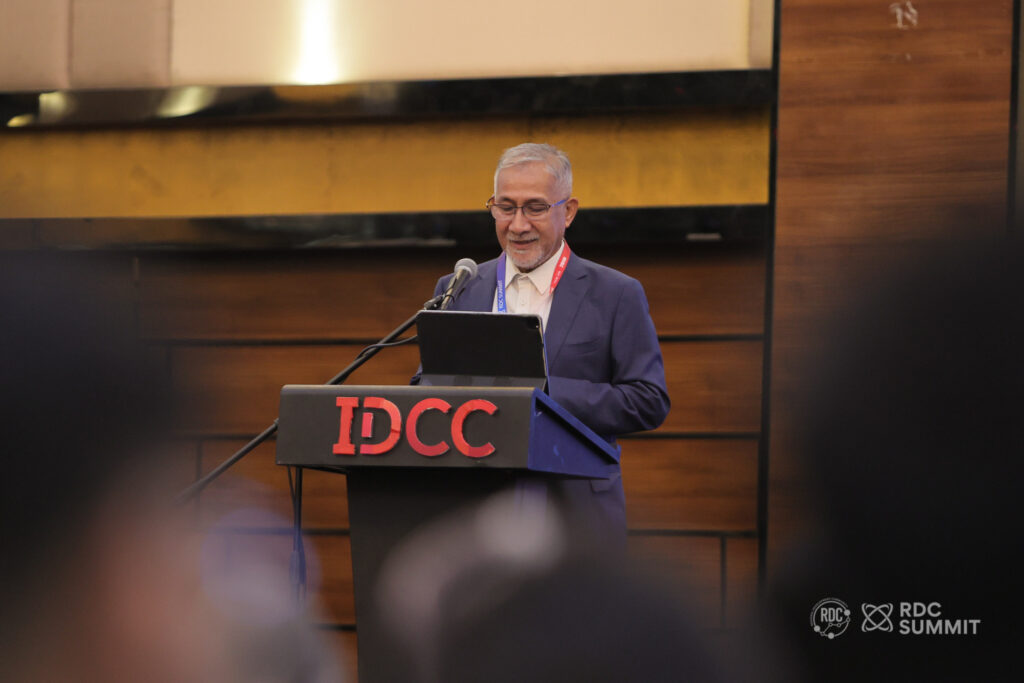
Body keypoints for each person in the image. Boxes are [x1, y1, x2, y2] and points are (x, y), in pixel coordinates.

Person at [425, 142, 670, 539]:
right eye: (505, 207)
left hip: (575, 512)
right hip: (472, 510)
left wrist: (540, 392)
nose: (518, 225)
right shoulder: (459, 288)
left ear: (568, 212)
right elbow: (427, 384)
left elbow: (648, 400)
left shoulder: (616, 293)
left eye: (535, 208)